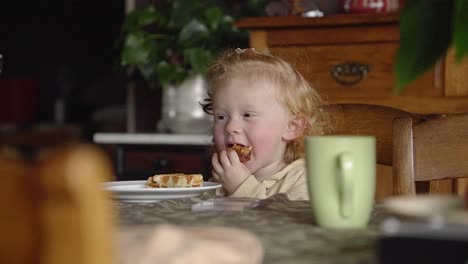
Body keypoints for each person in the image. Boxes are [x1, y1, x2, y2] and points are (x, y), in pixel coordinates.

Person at [201, 48, 329, 200]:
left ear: (291, 127)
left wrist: (241, 188)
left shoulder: (305, 180)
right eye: (221, 117)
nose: (230, 127)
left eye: (248, 115)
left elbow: (284, 221)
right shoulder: (219, 180)